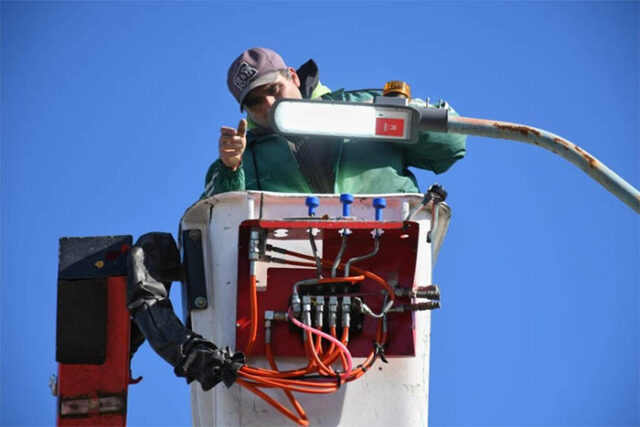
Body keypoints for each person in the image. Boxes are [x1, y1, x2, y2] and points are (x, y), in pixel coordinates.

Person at [203, 47, 466, 198]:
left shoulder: (359, 106)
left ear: (293, 77)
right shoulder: (243, 159)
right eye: (255, 102)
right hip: (295, 266)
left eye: (273, 89)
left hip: (390, 250)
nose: (269, 104)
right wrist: (230, 169)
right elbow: (215, 222)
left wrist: (404, 113)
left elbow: (450, 148)